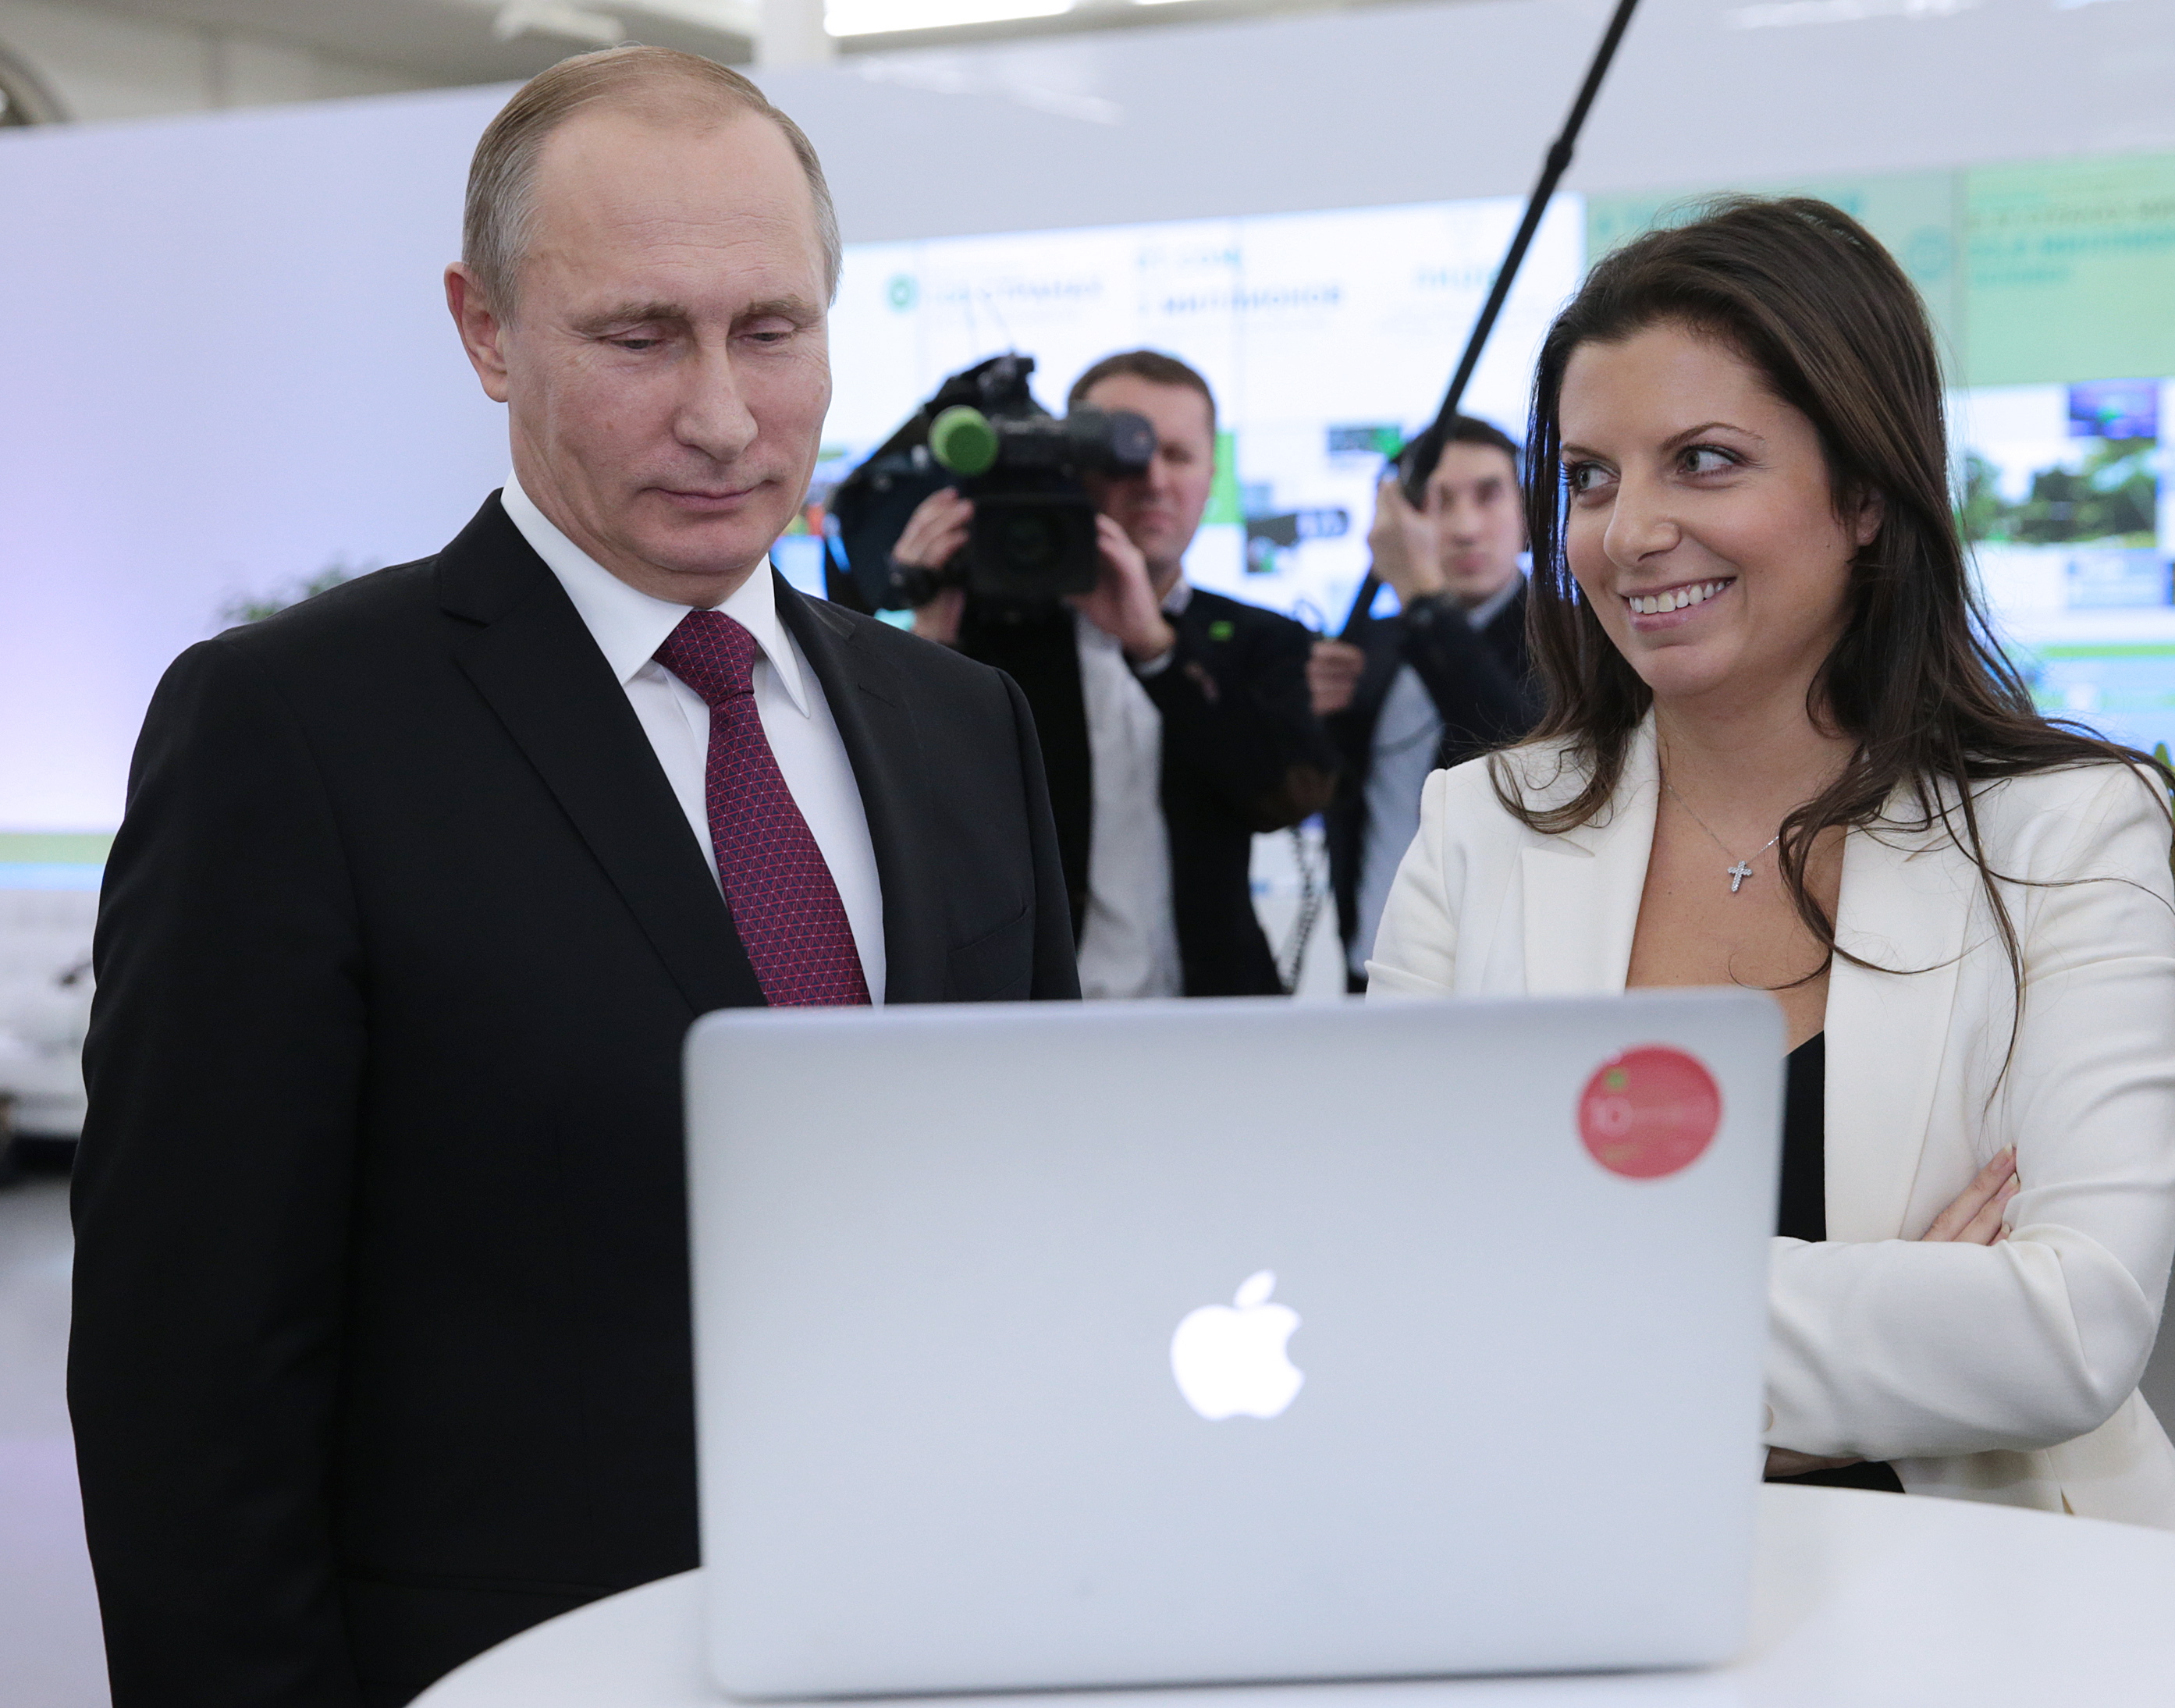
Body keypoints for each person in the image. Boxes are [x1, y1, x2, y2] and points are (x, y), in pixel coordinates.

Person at [69, 47, 1077, 1708]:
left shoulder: (963, 725)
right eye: (638, 336)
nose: (722, 415)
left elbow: (1032, 1241)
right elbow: (191, 1377)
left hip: (941, 1642)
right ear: (484, 330)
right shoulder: (291, 731)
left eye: (772, 329)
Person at [1366, 197, 2175, 1532]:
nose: (1627, 532)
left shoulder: (2065, 829)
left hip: (1992, 1582)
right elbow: (1395, 1294)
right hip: (1571, 1558)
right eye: (1590, 476)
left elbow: (2070, 1328)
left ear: (1864, 493)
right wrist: (1890, 1345)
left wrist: (1597, 1334)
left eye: (1702, 461)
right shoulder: (1481, 828)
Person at [897, 351, 1337, 997]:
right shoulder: (986, 639)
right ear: (1072, 465)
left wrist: (1156, 648)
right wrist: (926, 642)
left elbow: (1287, 796)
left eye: (1179, 455)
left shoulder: (1259, 638)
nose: (1153, 479)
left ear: (1212, 475)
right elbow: (908, 820)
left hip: (1220, 1016)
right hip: (1035, 1019)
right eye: (1126, 454)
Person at [1308, 417, 1539, 992]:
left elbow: (1522, 758)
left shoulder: (1576, 639)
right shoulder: (1372, 646)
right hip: (1371, 971)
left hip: (1505, 981)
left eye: (1489, 495)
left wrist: (1422, 595)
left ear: (1527, 512)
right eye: (1437, 503)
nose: (1464, 528)